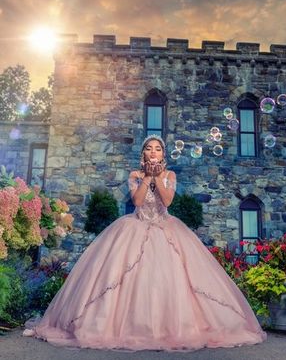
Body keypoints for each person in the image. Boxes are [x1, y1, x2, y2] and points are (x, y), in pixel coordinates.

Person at [23, 134, 266, 352]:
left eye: (157, 149)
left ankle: (172, 328)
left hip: (166, 227)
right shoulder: (135, 175)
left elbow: (168, 201)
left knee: (167, 280)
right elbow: (138, 201)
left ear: (163, 153)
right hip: (136, 226)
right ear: (143, 153)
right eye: (149, 148)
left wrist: (158, 177)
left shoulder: (170, 175)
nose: (153, 152)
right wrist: (147, 176)